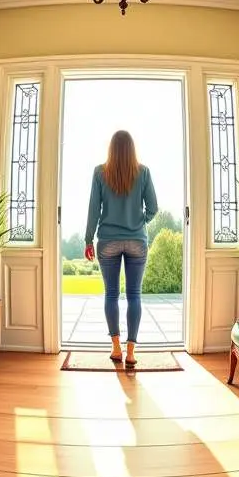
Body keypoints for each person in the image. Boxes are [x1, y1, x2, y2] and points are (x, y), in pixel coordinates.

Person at [85, 130, 158, 368]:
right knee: (134, 295)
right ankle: (131, 352)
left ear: (111, 149)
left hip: (108, 241)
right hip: (137, 241)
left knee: (111, 295)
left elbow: (93, 210)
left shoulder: (99, 172)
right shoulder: (143, 172)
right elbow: (153, 208)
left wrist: (88, 240)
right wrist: (139, 223)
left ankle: (115, 348)